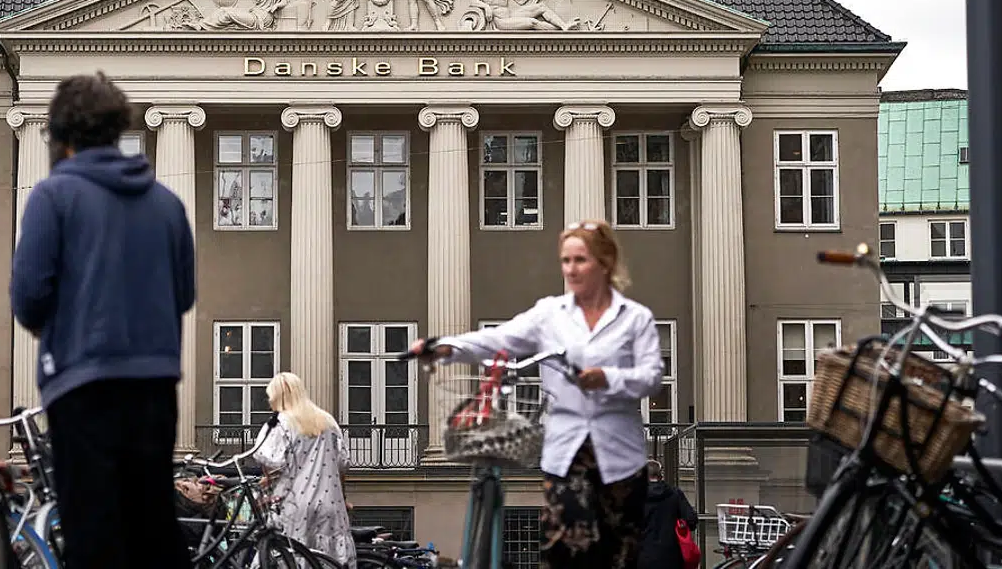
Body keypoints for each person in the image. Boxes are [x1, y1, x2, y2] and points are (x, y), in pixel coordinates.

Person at [11, 72, 196, 569]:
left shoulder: (54, 197)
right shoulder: (167, 204)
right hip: (155, 385)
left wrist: (66, 323)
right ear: (117, 130)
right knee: (155, 529)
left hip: (83, 385)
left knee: (92, 533)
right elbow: (183, 296)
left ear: (61, 136)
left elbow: (28, 298)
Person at [409, 219, 663, 569]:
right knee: (564, 549)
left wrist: (608, 378)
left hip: (620, 454)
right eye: (566, 260)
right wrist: (445, 347)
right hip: (567, 451)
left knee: (618, 555)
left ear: (605, 263)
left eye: (580, 260)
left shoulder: (635, 319)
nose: (571, 269)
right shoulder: (550, 315)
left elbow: (652, 377)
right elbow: (497, 339)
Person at [253, 372, 357, 569]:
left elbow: (270, 462)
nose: (269, 402)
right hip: (330, 504)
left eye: (270, 397)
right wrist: (343, 498)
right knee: (328, 561)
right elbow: (342, 465)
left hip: (294, 504)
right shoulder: (328, 421)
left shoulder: (281, 422)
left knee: (290, 557)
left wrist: (266, 485)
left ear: (278, 396)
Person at [640, 460, 699, 569]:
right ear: (660, 475)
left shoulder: (636, 497)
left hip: (643, 558)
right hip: (671, 558)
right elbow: (691, 519)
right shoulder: (675, 493)